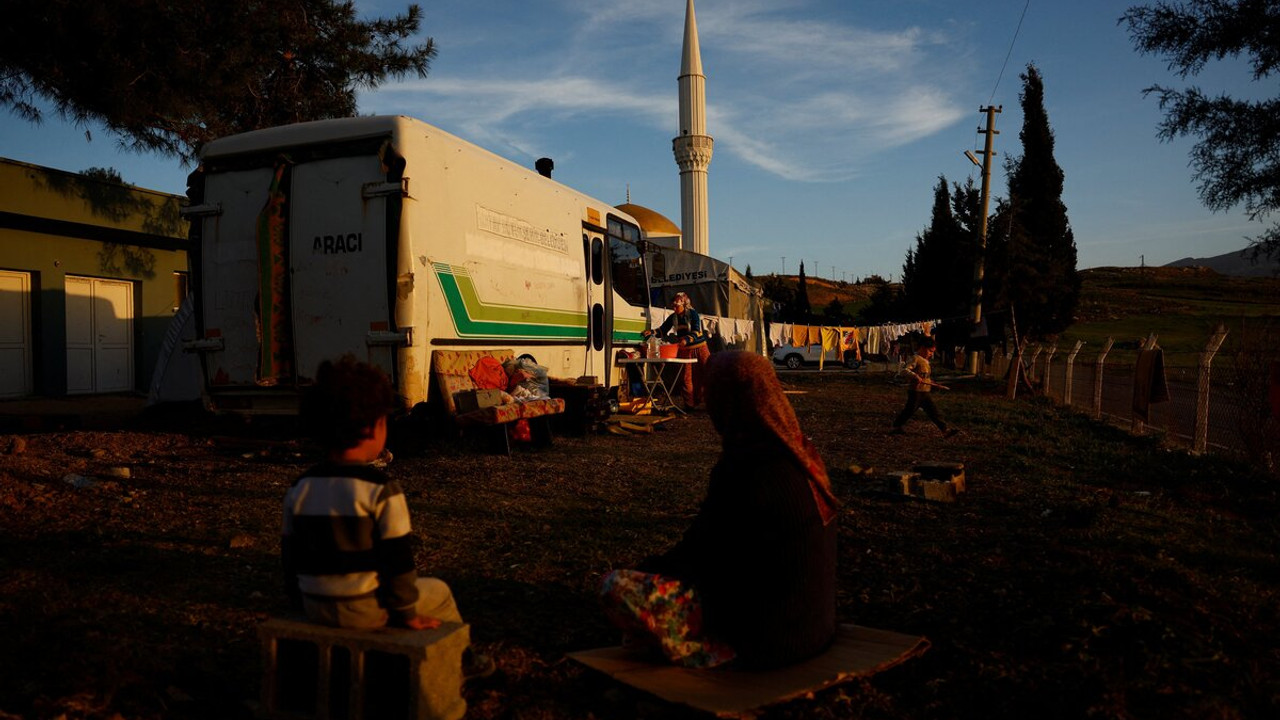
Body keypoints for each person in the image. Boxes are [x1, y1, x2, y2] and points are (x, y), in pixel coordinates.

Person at [599, 351, 839, 669]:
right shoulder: (803, 455)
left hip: (765, 642)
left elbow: (702, 555)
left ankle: (707, 646)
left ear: (727, 402)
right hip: (816, 629)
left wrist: (646, 570)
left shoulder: (744, 468)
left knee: (614, 587)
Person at [281, 355, 493, 677]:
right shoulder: (381, 489)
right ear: (373, 427)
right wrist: (406, 613)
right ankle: (463, 659)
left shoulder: (300, 487)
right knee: (439, 592)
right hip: (365, 610)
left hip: (314, 606)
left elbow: (290, 556)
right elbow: (398, 560)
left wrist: (300, 604)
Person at [642, 292, 711, 410]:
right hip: (684, 349)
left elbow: (696, 331)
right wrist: (652, 332)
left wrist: (686, 339)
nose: (674, 308)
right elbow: (663, 330)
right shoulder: (673, 317)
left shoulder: (693, 314)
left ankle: (712, 402)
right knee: (686, 377)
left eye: (676, 306)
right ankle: (689, 405)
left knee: (708, 372)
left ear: (684, 304)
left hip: (700, 347)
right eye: (673, 306)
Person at [891, 337, 957, 437]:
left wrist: (931, 382)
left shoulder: (926, 361)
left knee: (933, 412)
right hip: (916, 392)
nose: (931, 354)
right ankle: (896, 426)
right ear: (922, 348)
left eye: (933, 352)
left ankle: (945, 430)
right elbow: (904, 370)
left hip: (925, 392)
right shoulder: (915, 358)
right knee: (909, 410)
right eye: (930, 351)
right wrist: (915, 376)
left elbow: (925, 376)